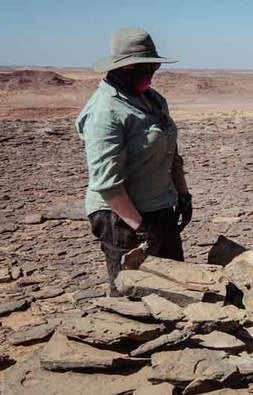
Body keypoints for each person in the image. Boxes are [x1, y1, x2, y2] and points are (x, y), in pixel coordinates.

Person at [76, 28, 192, 296]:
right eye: (140, 68)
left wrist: (183, 195)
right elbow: (107, 183)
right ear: (121, 68)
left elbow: (171, 153)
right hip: (121, 218)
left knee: (177, 290)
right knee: (133, 296)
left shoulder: (153, 100)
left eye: (152, 67)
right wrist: (140, 227)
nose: (148, 74)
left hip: (160, 207)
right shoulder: (105, 111)